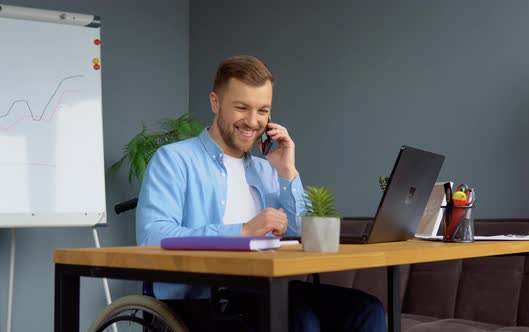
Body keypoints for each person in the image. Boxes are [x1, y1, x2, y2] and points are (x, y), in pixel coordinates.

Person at [136, 55, 386, 331]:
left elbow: (304, 234)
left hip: (267, 289)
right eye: (242, 107)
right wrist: (244, 231)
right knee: (300, 319)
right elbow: (153, 236)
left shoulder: (267, 169)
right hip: (202, 301)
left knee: (366, 310)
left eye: (263, 110)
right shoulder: (174, 159)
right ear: (215, 103)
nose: (253, 122)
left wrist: (287, 171)